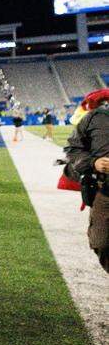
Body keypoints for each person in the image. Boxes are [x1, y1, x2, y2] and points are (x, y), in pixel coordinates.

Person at [63, 96, 109, 272]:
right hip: (105, 192)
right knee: (102, 242)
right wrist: (93, 163)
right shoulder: (95, 117)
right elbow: (73, 149)